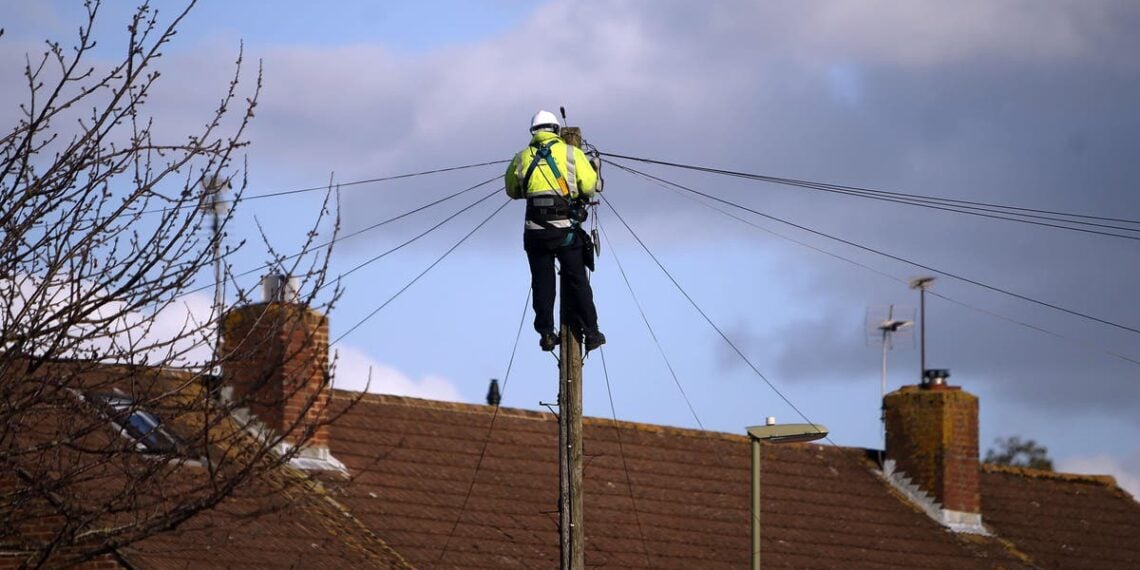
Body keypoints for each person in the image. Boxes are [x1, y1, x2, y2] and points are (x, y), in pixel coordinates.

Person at [505, 110, 605, 352]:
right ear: (557, 130)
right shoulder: (571, 153)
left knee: (542, 282)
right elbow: (590, 185)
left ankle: (547, 333)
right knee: (576, 279)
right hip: (566, 231)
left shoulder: (521, 158)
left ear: (533, 132)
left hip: (535, 233)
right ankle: (591, 333)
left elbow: (512, 190)